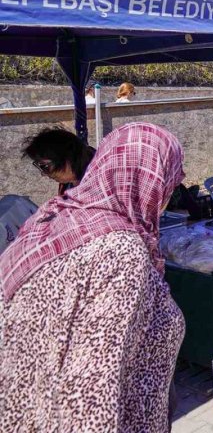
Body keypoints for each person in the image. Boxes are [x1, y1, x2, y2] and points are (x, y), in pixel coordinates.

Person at [0, 122, 186, 432]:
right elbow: (87, 397)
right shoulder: (120, 252)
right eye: (169, 180)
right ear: (151, 178)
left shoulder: (51, 217)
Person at [22, 127, 96, 196]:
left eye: (44, 166)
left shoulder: (99, 181)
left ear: (67, 157)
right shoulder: (66, 185)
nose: (44, 173)